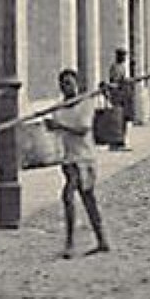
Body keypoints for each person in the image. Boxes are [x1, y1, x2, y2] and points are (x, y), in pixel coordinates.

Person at [44, 68, 110, 259]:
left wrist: (58, 126)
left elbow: (83, 128)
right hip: (69, 159)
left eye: (70, 83)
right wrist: (50, 125)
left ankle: (83, 241)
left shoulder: (86, 104)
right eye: (64, 84)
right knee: (77, 197)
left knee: (79, 197)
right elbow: (55, 130)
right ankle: (88, 240)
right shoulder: (59, 109)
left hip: (85, 158)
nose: (67, 87)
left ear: (77, 85)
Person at [105, 48, 133, 150]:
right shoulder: (114, 67)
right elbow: (114, 81)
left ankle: (121, 140)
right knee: (117, 119)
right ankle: (115, 142)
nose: (123, 58)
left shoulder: (122, 67)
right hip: (117, 95)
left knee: (123, 119)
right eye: (122, 55)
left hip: (123, 95)